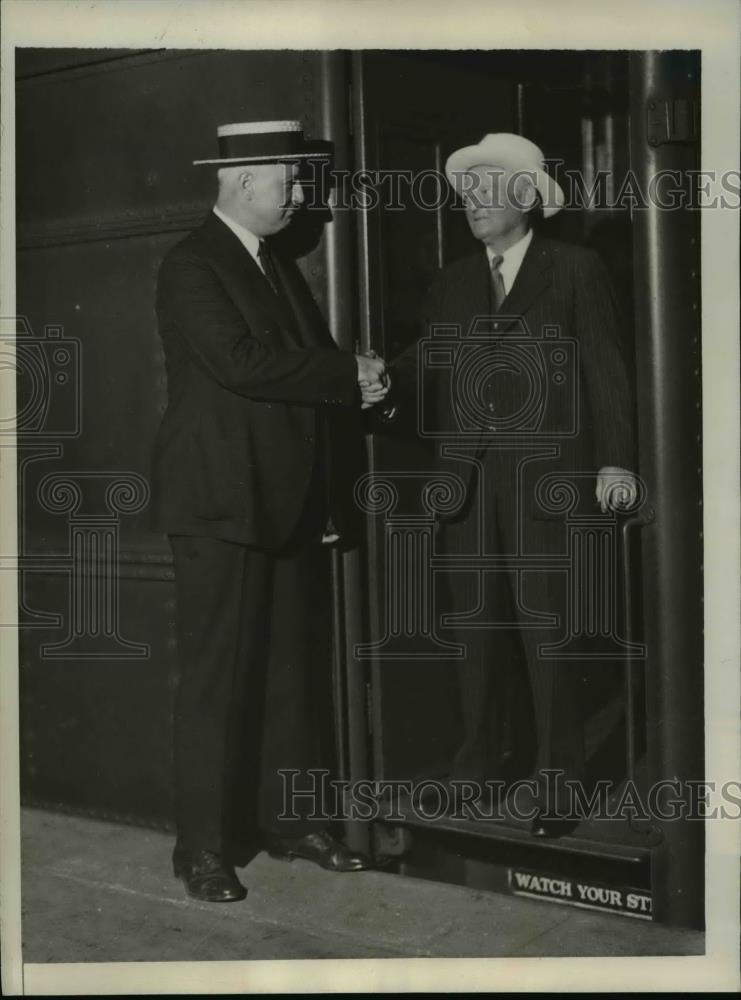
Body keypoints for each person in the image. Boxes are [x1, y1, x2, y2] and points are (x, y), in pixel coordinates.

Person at [151, 120, 388, 902]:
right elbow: (242, 365)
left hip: (283, 501)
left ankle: (289, 824)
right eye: (290, 181)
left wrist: (358, 394)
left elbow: (308, 383)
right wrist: (346, 374)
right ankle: (204, 850)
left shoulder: (275, 263)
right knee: (218, 684)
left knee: (290, 676)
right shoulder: (192, 264)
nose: (300, 197)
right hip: (219, 502)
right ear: (244, 180)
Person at [384, 133, 637, 836]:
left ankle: (557, 786)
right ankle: (476, 771)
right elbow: (423, 360)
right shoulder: (453, 281)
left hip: (546, 483)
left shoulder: (575, 270)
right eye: (464, 192)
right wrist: (373, 377)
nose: (470, 203)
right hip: (465, 483)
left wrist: (616, 462)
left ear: (526, 197)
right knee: (475, 635)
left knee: (546, 636)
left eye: (486, 189)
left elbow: (608, 372)